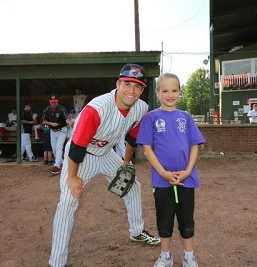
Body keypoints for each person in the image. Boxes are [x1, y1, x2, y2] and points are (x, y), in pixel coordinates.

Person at [49, 63, 160, 267]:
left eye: (137, 86)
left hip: (106, 153)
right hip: (80, 157)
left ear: (143, 90)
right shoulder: (97, 108)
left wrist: (126, 164)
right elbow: (76, 147)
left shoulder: (141, 109)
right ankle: (56, 261)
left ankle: (136, 231)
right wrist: (72, 178)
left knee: (133, 185)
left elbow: (132, 139)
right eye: (127, 83)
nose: (131, 90)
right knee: (67, 202)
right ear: (118, 83)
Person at [136, 73, 206, 267]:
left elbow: (194, 145)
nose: (170, 94)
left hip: (186, 178)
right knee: (164, 219)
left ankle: (188, 256)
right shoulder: (151, 118)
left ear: (179, 92)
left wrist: (188, 170)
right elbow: (147, 149)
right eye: (165, 90)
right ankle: (165, 256)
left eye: (174, 90)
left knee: (186, 220)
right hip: (162, 180)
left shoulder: (185, 117)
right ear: (158, 93)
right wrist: (163, 173)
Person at [42, 94, 70, 175]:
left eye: (55, 102)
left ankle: (56, 166)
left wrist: (69, 122)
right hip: (52, 131)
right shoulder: (47, 109)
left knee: (59, 147)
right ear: (49, 102)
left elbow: (67, 119)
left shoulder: (61, 109)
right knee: (54, 149)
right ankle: (63, 163)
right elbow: (43, 121)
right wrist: (51, 123)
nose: (54, 103)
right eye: (52, 102)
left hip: (62, 130)